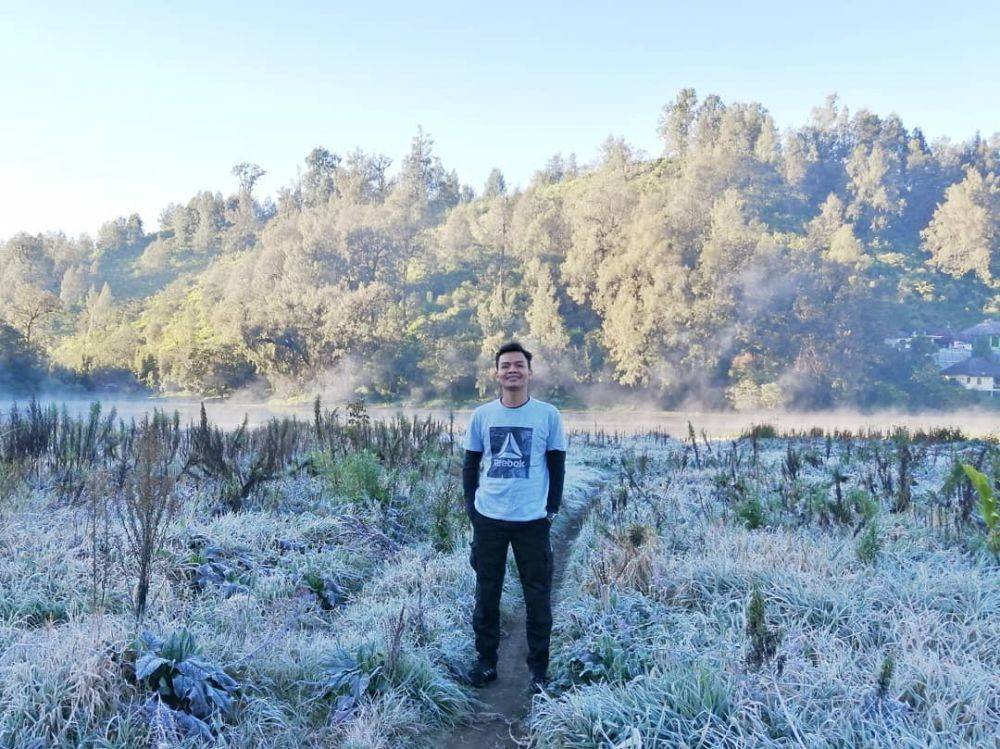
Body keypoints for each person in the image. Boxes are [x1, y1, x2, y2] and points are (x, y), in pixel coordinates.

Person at [462, 341, 567, 693]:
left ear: (529, 372)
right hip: (489, 517)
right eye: (505, 365)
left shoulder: (547, 415)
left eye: (518, 365)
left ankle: (539, 671)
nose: (512, 370)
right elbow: (470, 465)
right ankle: (485, 662)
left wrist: (551, 510)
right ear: (496, 373)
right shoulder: (482, 415)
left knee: (537, 595)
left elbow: (557, 464)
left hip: (532, 521)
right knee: (486, 592)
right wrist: (472, 511)